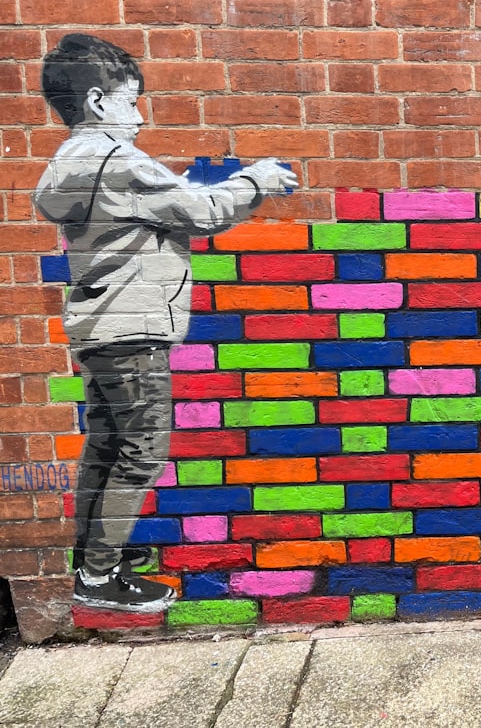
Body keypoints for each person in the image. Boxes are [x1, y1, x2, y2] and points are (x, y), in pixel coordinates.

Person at [34, 34, 298, 613]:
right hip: (135, 330)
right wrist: (257, 181)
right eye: (132, 101)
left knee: (106, 447)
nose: (140, 115)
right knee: (142, 451)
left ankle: (94, 564)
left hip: (100, 329)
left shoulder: (67, 165)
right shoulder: (117, 161)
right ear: (100, 102)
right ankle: (101, 579)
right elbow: (200, 210)